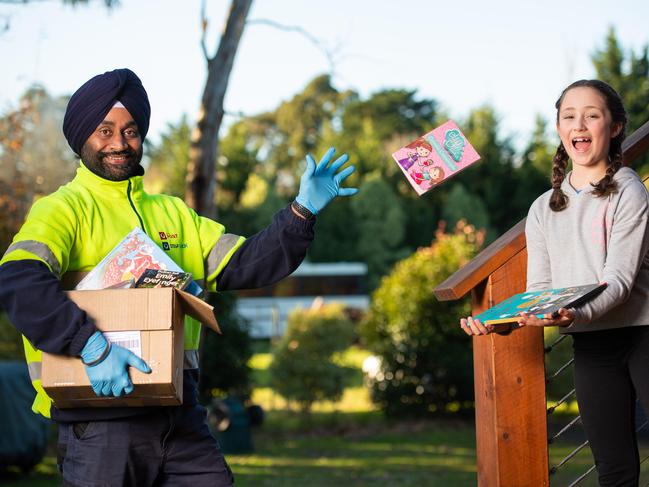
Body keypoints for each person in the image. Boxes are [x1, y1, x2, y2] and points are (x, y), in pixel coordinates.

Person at [0, 68, 358, 486]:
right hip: (99, 422)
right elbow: (19, 280)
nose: (120, 143)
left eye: (131, 130)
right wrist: (91, 347)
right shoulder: (62, 210)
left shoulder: (172, 213)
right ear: (82, 138)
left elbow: (245, 263)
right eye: (105, 130)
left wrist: (301, 211)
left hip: (179, 416)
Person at [461, 79, 649, 486]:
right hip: (591, 345)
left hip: (643, 335)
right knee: (614, 470)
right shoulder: (542, 209)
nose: (579, 124)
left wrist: (571, 313)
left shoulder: (629, 191)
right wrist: (497, 320)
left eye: (592, 115)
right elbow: (539, 292)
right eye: (569, 116)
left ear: (615, 127)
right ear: (560, 129)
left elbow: (617, 281)